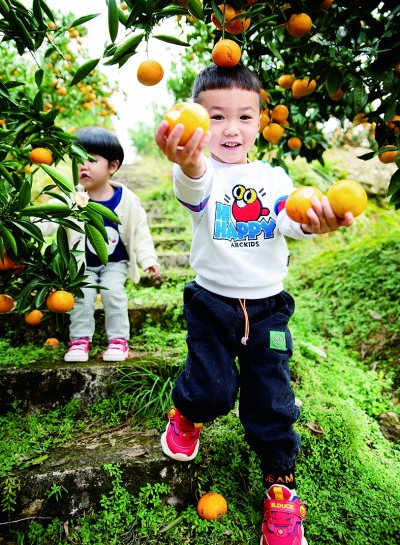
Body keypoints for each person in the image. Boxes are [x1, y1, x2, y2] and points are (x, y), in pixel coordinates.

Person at [154, 63, 354, 545]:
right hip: (212, 303)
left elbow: (288, 216)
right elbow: (193, 188)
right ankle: (187, 414)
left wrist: (314, 222)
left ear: (260, 123)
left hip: (268, 310)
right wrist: (187, 161)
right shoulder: (201, 173)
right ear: (198, 121)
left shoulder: (272, 176)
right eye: (216, 116)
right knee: (212, 391)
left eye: (244, 117)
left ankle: (281, 488)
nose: (231, 128)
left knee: (272, 400)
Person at [41, 126, 160, 363]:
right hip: (82, 265)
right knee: (82, 296)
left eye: (92, 159)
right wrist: (23, 229)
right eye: (78, 159)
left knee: (113, 292)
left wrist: (148, 259)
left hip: (115, 262)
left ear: (112, 166)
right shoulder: (70, 198)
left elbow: (140, 232)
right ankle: (79, 340)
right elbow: (47, 219)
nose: (83, 165)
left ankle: (118, 340)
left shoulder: (127, 200)